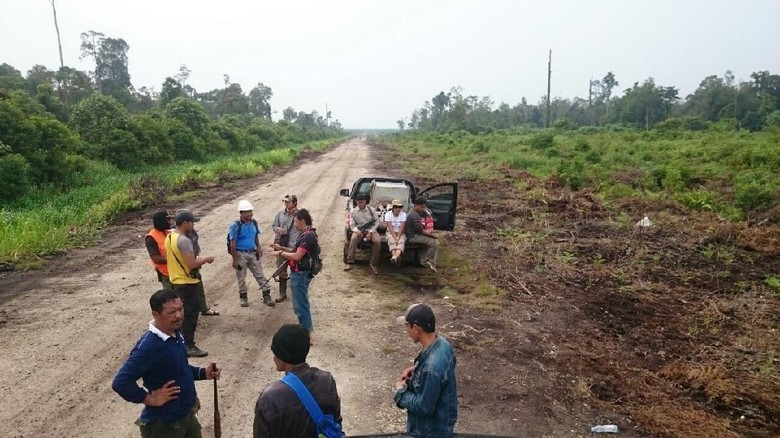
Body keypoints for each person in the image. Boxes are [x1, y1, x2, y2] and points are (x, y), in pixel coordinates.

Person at [112, 289, 221, 438]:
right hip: (164, 426)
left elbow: (178, 367)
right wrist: (149, 398)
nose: (179, 315)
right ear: (155, 314)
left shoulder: (175, 331)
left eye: (180, 309)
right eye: (171, 312)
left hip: (186, 415)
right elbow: (120, 382)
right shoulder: (149, 347)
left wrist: (203, 373)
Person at [253, 324, 341, 438]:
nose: (273, 357)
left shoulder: (269, 398)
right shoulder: (327, 381)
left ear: (283, 356)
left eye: (275, 352)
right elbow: (336, 422)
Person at [394, 303, 458, 438]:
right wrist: (417, 369)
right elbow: (445, 371)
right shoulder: (443, 345)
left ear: (416, 328)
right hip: (443, 425)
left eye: (407, 326)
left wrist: (400, 392)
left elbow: (424, 407)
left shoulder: (431, 367)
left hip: (429, 432)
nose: (406, 330)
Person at [165, 209, 215, 357]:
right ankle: (189, 345)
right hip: (187, 282)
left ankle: (179, 343)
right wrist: (206, 259)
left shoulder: (170, 238)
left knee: (180, 313)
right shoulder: (184, 241)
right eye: (192, 222)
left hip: (176, 280)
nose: (193, 225)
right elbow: (192, 264)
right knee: (190, 314)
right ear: (185, 223)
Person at [269, 209, 318, 341]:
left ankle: (307, 336)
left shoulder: (308, 236)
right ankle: (307, 334)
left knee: (300, 306)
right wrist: (281, 248)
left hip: (301, 274)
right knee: (301, 304)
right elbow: (294, 251)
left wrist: (279, 254)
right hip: (299, 274)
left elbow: (297, 256)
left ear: (302, 221)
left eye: (296, 221)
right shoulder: (305, 235)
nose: (294, 224)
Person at [229, 199, 274, 308]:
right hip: (240, 254)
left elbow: (255, 236)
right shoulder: (235, 225)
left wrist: (258, 247)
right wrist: (235, 260)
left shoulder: (254, 222)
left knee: (260, 274)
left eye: (250, 211)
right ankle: (243, 297)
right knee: (241, 277)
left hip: (253, 253)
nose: (250, 213)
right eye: (247, 211)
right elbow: (232, 244)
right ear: (241, 213)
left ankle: (266, 295)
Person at [270, 194, 300, 303]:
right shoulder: (279, 215)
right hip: (281, 246)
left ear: (295, 203)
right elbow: (274, 226)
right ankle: (282, 294)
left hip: (295, 247)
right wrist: (277, 229)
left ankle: (298, 293)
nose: (286, 203)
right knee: (281, 269)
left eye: (288, 201)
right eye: (285, 202)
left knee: (297, 270)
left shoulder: (301, 215)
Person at [345, 193, 380, 274]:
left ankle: (374, 264)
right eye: (358, 202)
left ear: (365, 202)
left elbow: (376, 222)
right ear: (356, 202)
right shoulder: (353, 211)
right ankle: (350, 262)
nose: (360, 204)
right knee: (353, 239)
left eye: (362, 202)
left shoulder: (371, 210)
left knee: (377, 242)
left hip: (371, 229)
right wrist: (357, 231)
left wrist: (370, 232)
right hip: (359, 229)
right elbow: (352, 225)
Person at [405, 198, 439, 273]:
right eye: (422, 207)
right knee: (434, 243)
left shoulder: (414, 212)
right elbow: (420, 230)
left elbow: (427, 218)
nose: (423, 209)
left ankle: (432, 262)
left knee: (433, 242)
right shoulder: (414, 215)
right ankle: (424, 261)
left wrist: (426, 213)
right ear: (416, 205)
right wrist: (431, 235)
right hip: (412, 236)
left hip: (414, 234)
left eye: (424, 207)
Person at [145, 211, 172, 290]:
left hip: (176, 271)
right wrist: (174, 259)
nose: (170, 222)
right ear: (161, 221)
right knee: (171, 298)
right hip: (166, 274)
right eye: (168, 220)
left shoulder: (168, 232)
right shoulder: (151, 237)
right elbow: (155, 258)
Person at [384, 199, 407, 266]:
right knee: (391, 240)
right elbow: (390, 228)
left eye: (400, 207)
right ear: (393, 207)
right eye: (396, 207)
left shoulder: (403, 215)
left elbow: (402, 227)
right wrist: (395, 237)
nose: (398, 209)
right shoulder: (388, 214)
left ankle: (395, 257)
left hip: (400, 231)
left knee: (401, 241)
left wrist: (398, 237)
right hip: (391, 231)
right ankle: (395, 256)